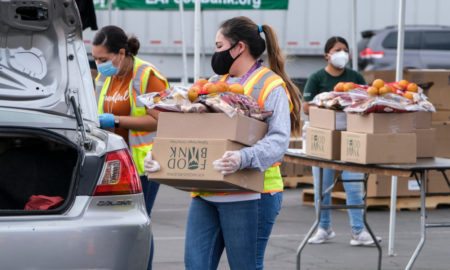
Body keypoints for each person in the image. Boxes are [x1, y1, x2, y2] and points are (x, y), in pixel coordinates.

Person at [145, 16, 301, 270]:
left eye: (219, 46)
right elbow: (195, 129)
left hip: (252, 192)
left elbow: (279, 140)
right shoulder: (215, 83)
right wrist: (160, 156)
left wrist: (243, 158)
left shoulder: (270, 85)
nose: (215, 53)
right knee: (196, 265)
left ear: (239, 47)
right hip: (208, 191)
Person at [92, 25, 169, 270]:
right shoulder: (104, 76)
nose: (99, 63)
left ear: (122, 53)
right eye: (95, 58)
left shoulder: (147, 75)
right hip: (114, 164)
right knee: (116, 227)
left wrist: (116, 120)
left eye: (103, 59)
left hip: (144, 164)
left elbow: (162, 121)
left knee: (138, 225)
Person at [302, 36, 381, 246]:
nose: (342, 54)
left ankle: (358, 231)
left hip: (351, 136)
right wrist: (330, 105)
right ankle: (323, 227)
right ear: (327, 55)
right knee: (323, 186)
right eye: (338, 49)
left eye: (345, 49)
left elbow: (366, 100)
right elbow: (306, 106)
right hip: (325, 138)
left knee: (354, 186)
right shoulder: (317, 77)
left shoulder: (354, 76)